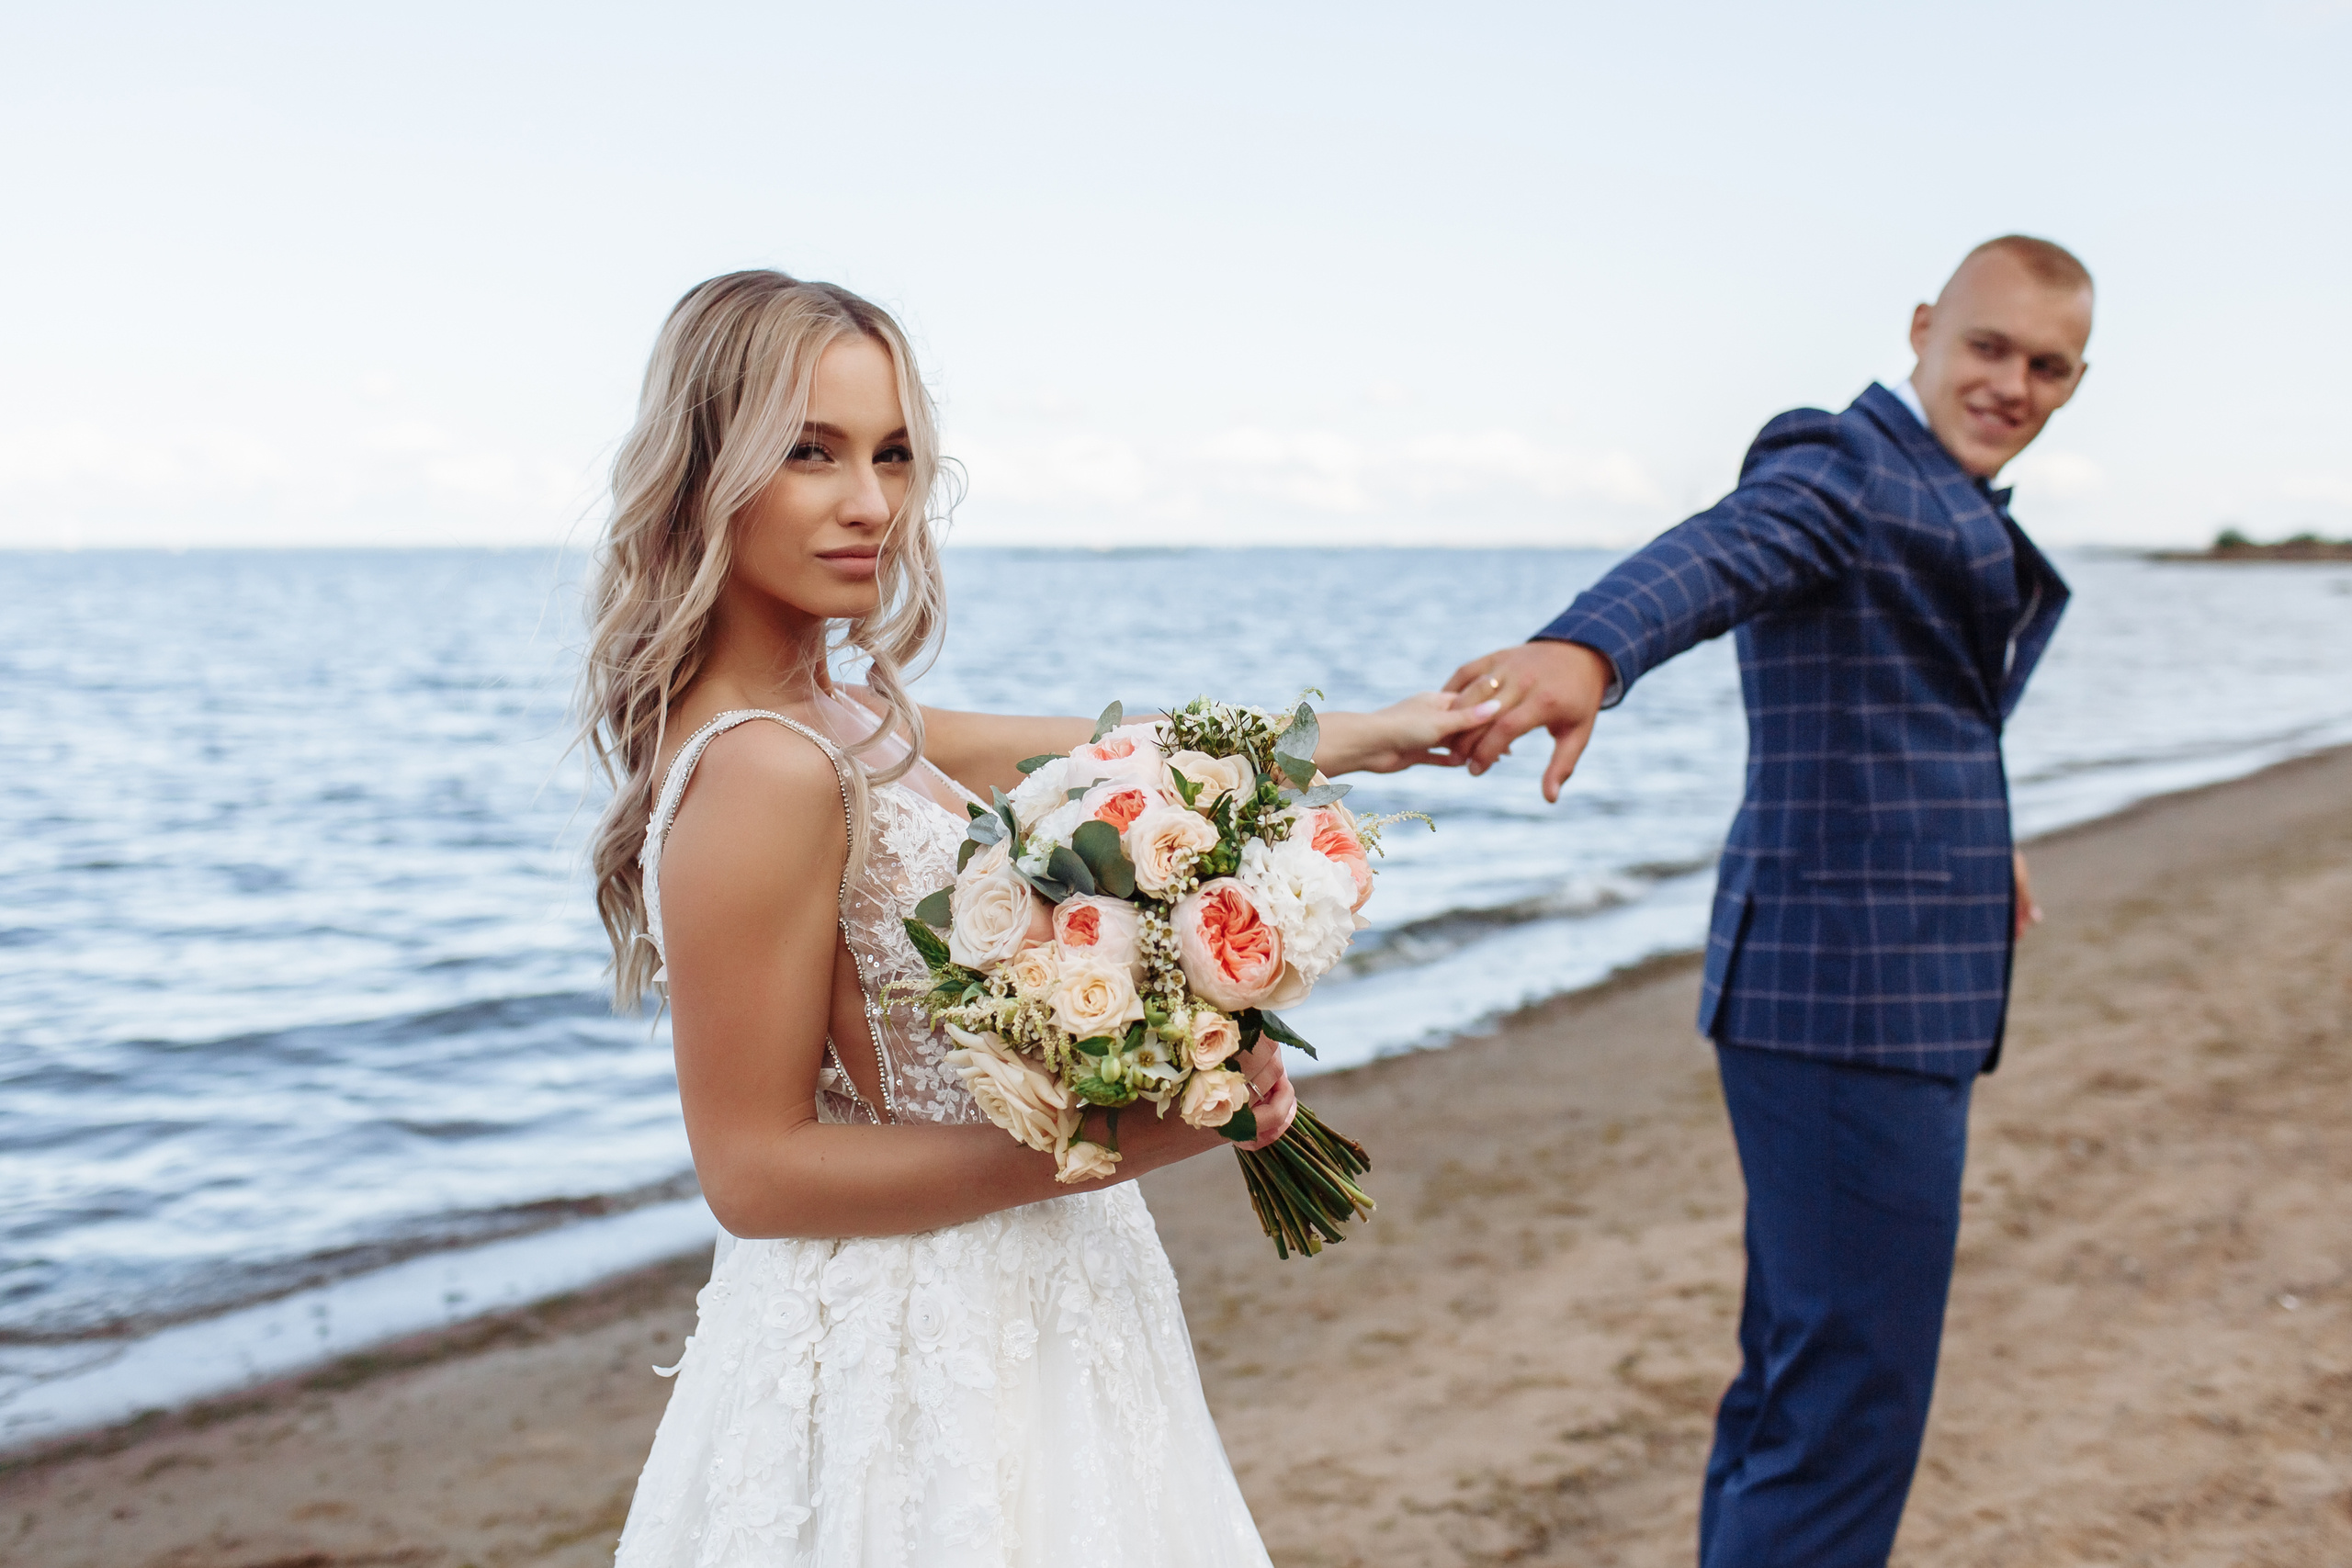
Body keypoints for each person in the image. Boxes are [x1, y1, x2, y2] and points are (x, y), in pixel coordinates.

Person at [577, 270, 1496, 1565]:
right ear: (703, 474)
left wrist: (1375, 737)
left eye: (894, 454)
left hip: (1036, 1299)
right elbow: (755, 1172)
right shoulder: (765, 769)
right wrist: (1133, 1134)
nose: (871, 504)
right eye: (809, 453)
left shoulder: (847, 720)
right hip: (913, 1359)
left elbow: (1115, 759)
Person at [1443, 235, 2092, 1566]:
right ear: (1922, 329)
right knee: (1849, 1406)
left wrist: (1989, 829)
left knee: (1802, 1380)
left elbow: (1924, 707)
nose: (2012, 382)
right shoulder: (1844, 466)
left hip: (1875, 980)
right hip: (1851, 993)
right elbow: (1730, 551)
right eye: (1988, 346)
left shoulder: (1938, 497)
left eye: (2048, 365)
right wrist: (1589, 648)